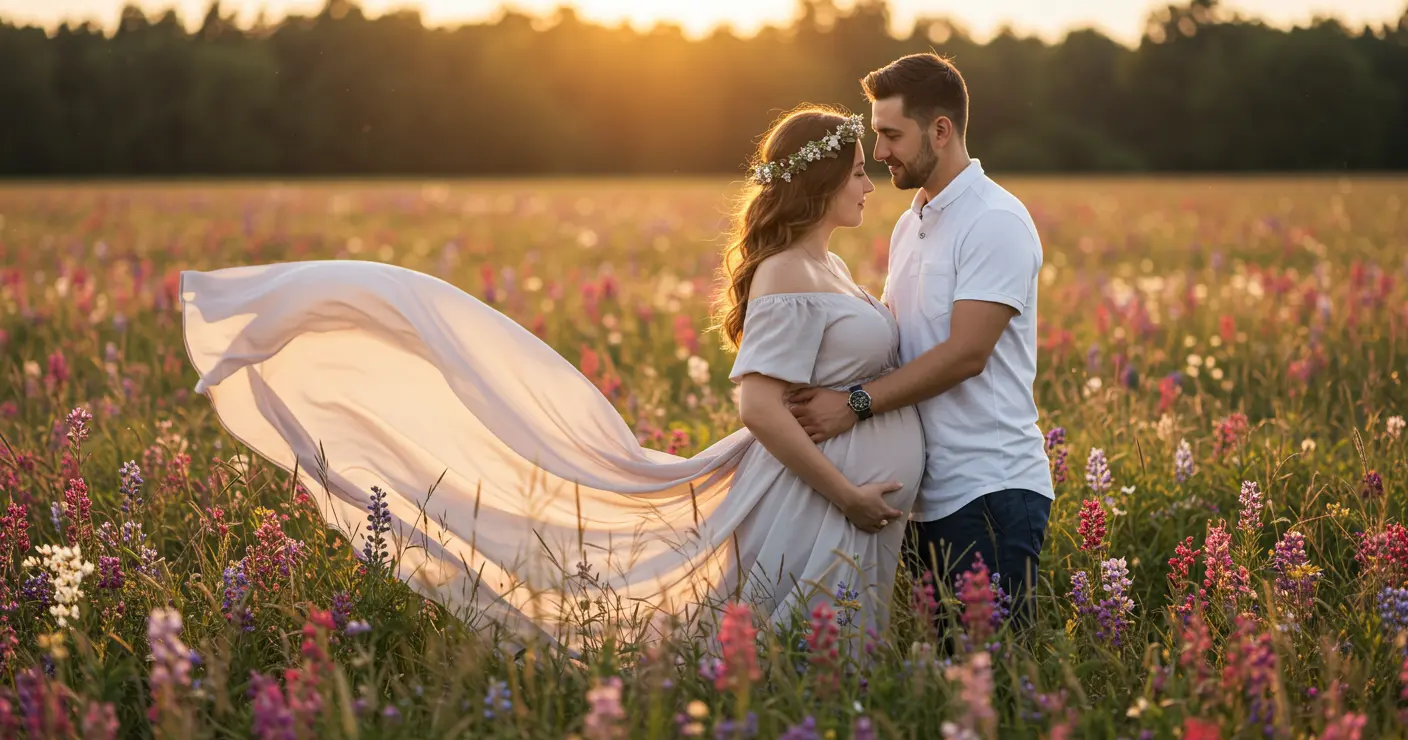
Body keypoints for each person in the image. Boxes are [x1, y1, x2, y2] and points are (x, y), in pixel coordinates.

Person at [178, 105, 923, 651]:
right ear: (822, 179)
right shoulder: (790, 272)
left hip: (841, 498)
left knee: (828, 657)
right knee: (808, 656)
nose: (870, 185)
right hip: (820, 500)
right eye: (859, 172)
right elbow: (761, 408)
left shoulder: (827, 264)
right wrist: (848, 494)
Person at [788, 54, 1055, 628]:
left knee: (994, 676)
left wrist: (853, 405)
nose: (879, 152)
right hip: (922, 497)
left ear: (940, 130)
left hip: (990, 490)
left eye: (891, 135)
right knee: (951, 666)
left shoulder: (995, 221)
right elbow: (899, 339)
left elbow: (966, 353)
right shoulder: (913, 222)